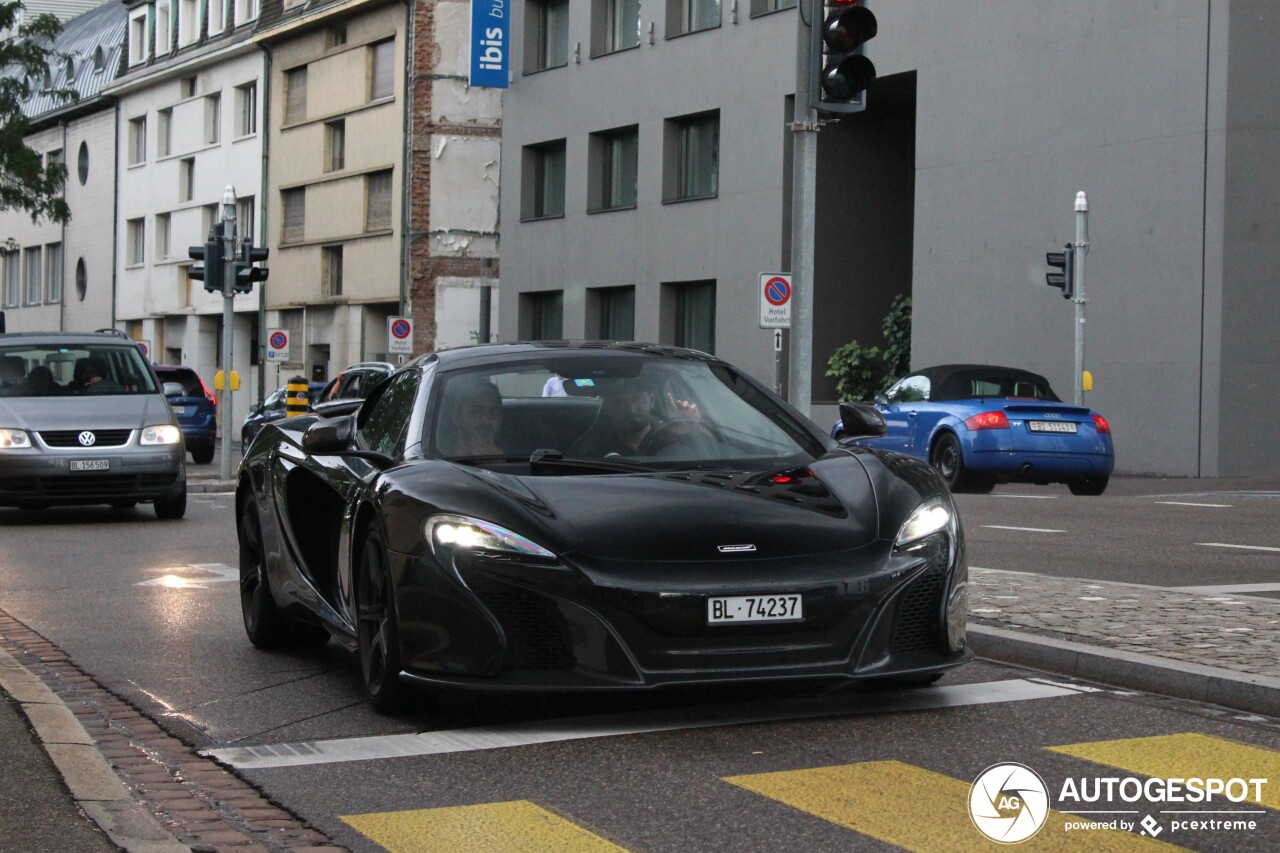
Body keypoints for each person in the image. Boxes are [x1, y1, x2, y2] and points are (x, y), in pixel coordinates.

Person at [570, 379, 703, 457]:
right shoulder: (596, 451)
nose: (631, 409)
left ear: (651, 400)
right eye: (619, 402)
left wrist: (694, 431)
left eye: (637, 399)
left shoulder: (672, 438)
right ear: (608, 408)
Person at [441, 375, 505, 456]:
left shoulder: (517, 461)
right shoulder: (439, 463)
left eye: (494, 412)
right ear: (457, 417)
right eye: (476, 411)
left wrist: (500, 463)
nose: (486, 420)